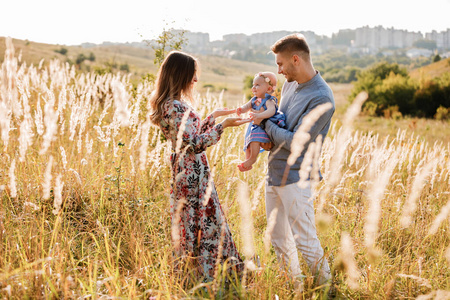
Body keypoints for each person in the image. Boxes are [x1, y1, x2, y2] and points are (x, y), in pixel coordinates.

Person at [149, 51, 250, 282]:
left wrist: (213, 117)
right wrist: (223, 125)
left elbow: (189, 138)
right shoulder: (174, 106)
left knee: (201, 218)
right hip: (191, 171)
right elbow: (195, 144)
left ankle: (210, 271)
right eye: (192, 74)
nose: (195, 80)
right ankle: (210, 273)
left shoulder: (171, 104)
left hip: (189, 168)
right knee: (202, 219)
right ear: (181, 74)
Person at [252, 34, 335, 287]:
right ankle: (294, 287)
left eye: (280, 64)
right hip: (274, 172)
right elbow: (280, 122)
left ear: (295, 59)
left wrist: (264, 122)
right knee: (279, 239)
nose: (277, 71)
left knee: (305, 240)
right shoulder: (289, 84)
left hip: (298, 178)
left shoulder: (322, 98)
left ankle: (328, 290)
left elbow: (298, 142)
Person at [236, 72, 286, 172]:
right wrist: (241, 109)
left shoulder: (269, 101)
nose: (253, 87)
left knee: (254, 141)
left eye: (257, 85)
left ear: (268, 89)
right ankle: (247, 160)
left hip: (262, 128)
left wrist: (259, 115)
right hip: (254, 126)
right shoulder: (254, 99)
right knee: (249, 143)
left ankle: (252, 159)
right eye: (253, 85)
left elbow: (271, 111)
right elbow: (246, 107)